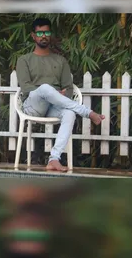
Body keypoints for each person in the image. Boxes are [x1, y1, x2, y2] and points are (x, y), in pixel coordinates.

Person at [16, 18, 105, 172]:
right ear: (33, 35)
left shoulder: (60, 60)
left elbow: (68, 89)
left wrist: (59, 95)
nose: (44, 36)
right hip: (33, 105)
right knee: (44, 89)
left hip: (54, 106)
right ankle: (87, 112)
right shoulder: (24, 60)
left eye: (47, 32)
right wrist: (49, 91)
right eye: (40, 32)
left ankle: (54, 159)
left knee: (70, 113)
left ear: (50, 35)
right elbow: (26, 87)